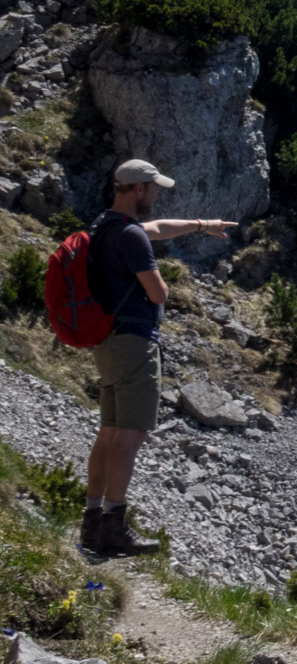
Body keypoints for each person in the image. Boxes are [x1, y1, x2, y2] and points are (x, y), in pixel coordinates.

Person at [80, 159, 235, 555]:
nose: (157, 195)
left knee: (110, 433)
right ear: (138, 190)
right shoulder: (130, 237)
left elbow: (158, 229)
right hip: (134, 341)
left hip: (109, 342)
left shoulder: (105, 226)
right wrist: (160, 277)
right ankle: (114, 528)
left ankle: (93, 523)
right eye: (154, 189)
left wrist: (203, 224)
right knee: (130, 436)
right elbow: (159, 293)